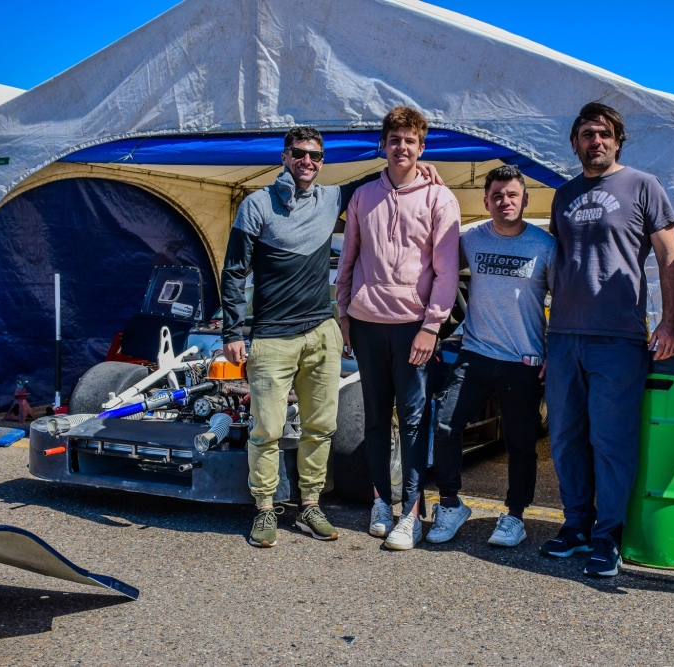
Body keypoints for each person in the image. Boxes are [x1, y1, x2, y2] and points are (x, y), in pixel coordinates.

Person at [221, 126, 443, 548]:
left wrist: (412, 165)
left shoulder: (331, 198)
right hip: (272, 336)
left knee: (320, 427)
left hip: (322, 331)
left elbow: (380, 178)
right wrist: (233, 331)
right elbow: (234, 272)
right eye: (300, 154)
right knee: (266, 428)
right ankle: (265, 509)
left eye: (317, 156)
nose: (308, 162)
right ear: (285, 156)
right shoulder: (256, 205)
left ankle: (310, 503)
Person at [541, 102, 674, 578]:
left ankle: (608, 536)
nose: (595, 141)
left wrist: (669, 323)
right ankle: (576, 525)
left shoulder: (643, 185)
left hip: (617, 337)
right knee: (563, 439)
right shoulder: (562, 196)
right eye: (585, 134)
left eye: (603, 133)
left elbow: (669, 257)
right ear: (575, 142)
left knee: (611, 441)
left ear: (618, 140)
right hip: (563, 337)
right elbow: (557, 265)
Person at [336, 106, 460, 551]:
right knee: (374, 420)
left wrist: (431, 327)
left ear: (421, 147)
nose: (402, 147)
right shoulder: (362, 197)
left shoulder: (440, 199)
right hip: (366, 325)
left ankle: (411, 514)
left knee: (411, 421)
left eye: (410, 141)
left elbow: (447, 273)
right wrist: (345, 316)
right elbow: (346, 262)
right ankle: (380, 503)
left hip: (413, 328)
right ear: (383, 145)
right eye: (395, 139)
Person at [426, 165, 555, 548]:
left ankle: (515, 515)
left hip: (524, 359)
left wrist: (555, 352)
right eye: (497, 196)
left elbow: (563, 300)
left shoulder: (544, 246)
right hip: (476, 352)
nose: (505, 201)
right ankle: (450, 504)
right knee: (447, 426)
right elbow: (439, 271)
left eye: (512, 195)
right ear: (486, 201)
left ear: (524, 199)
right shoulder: (472, 239)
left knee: (520, 443)